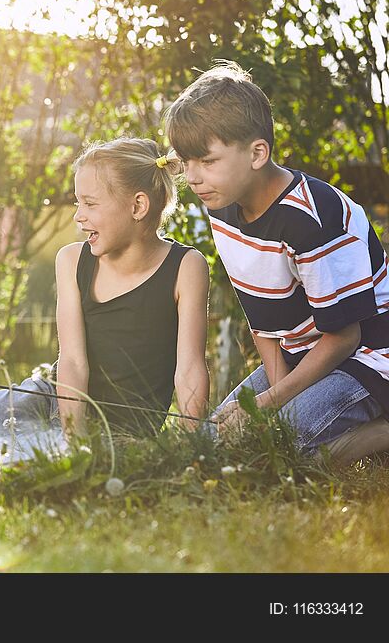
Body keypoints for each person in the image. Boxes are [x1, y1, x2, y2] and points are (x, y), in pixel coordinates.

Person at [0, 137, 210, 456]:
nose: (78, 216)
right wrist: (74, 441)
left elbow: (189, 370)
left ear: (138, 206)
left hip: (123, 436)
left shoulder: (186, 267)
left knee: (2, 458)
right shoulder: (72, 260)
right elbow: (72, 361)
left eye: (90, 203)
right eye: (77, 203)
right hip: (52, 401)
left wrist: (190, 446)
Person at [164, 60, 389, 464]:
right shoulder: (222, 206)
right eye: (186, 162)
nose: (193, 177)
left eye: (207, 161)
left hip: (370, 356)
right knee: (213, 448)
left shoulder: (313, 221)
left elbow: (346, 338)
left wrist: (270, 406)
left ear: (257, 153)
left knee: (271, 452)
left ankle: (378, 434)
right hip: (302, 353)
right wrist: (277, 399)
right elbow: (263, 316)